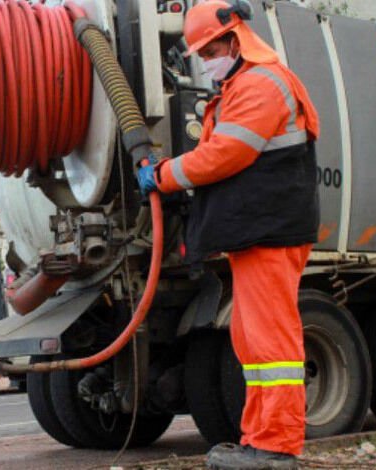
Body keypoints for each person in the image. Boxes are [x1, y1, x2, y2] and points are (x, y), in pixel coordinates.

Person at [137, 1, 320, 468]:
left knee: (271, 345)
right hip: (258, 232)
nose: (206, 57)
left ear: (236, 38)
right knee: (254, 343)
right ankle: (260, 439)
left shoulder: (261, 83)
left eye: (211, 47)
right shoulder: (240, 85)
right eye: (201, 51)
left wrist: (163, 174)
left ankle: (277, 447)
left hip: (270, 231)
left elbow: (225, 155)